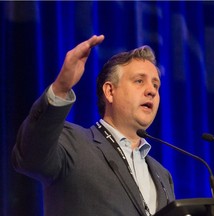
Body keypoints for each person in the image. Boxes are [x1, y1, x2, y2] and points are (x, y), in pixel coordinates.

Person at [12, 35, 175, 216]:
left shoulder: (163, 176)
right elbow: (29, 157)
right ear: (110, 91)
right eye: (139, 81)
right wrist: (61, 87)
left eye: (156, 85)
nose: (152, 91)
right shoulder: (73, 144)